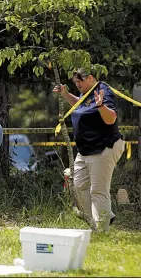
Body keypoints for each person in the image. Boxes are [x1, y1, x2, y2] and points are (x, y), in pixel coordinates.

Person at [53, 68, 125, 231]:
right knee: (78, 186)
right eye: (75, 83)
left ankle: (101, 231)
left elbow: (111, 118)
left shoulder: (102, 91)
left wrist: (100, 105)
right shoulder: (86, 93)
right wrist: (65, 94)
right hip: (85, 149)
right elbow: (79, 106)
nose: (77, 85)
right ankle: (103, 219)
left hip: (103, 147)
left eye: (80, 82)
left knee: (98, 191)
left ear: (91, 78)